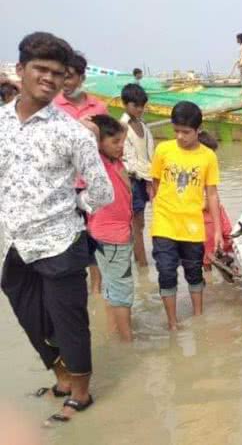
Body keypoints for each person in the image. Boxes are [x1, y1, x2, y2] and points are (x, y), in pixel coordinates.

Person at [1, 32, 113, 424]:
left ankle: (81, 393)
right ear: (21, 71)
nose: (49, 79)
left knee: (70, 322)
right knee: (31, 319)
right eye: (41, 70)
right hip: (10, 244)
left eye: (58, 73)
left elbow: (102, 191)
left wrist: (74, 209)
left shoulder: (72, 132)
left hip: (60, 241)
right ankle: (62, 378)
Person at [150, 101, 222, 331]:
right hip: (165, 223)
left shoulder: (208, 156)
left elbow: (212, 194)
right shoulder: (163, 150)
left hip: (192, 224)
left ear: (198, 130)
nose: (180, 136)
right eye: (176, 130)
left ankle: (199, 317)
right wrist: (159, 209)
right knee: (166, 271)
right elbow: (155, 184)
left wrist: (218, 230)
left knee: (194, 271)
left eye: (186, 132)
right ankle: (172, 324)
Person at [54, 51, 109, 300]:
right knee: (70, 238)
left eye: (70, 77)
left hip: (92, 183)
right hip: (64, 185)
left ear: (82, 78)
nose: (65, 82)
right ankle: (75, 287)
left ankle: (96, 288)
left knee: (94, 236)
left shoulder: (99, 107)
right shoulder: (52, 106)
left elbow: (109, 144)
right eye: (62, 76)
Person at [86, 115, 134, 342]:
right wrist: (91, 126)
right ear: (98, 142)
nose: (121, 145)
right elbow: (86, 133)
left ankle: (114, 332)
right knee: (122, 291)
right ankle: (128, 341)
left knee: (112, 287)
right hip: (112, 237)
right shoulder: (97, 163)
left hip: (106, 235)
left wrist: (113, 134)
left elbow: (122, 128)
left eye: (121, 141)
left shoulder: (115, 160)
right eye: (114, 142)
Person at [120, 83, 154, 268]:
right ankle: (143, 266)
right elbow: (128, 161)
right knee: (137, 224)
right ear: (125, 104)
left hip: (145, 179)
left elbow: (149, 155)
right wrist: (148, 179)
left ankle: (139, 262)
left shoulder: (143, 125)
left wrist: (151, 179)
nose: (140, 109)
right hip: (132, 180)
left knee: (139, 225)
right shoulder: (123, 127)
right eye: (136, 105)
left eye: (142, 105)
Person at [196, 131, 237, 282]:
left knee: (221, 247)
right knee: (207, 257)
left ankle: (213, 281)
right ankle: (210, 283)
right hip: (204, 222)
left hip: (214, 217)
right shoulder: (194, 171)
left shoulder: (209, 170)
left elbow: (213, 196)